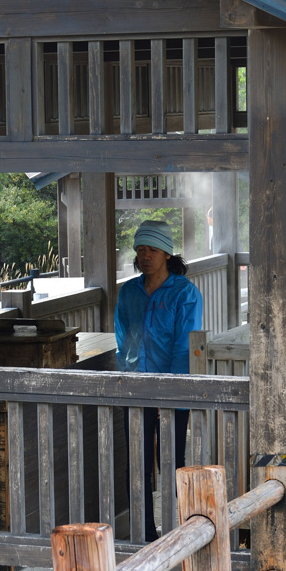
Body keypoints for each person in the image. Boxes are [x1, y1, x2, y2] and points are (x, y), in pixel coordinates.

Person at [115, 220, 203, 542]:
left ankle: (177, 530)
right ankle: (145, 532)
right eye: (140, 250)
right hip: (137, 388)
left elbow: (184, 346)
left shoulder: (184, 293)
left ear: (167, 253)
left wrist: (171, 389)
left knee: (172, 459)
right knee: (137, 461)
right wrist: (128, 377)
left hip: (173, 389)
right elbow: (123, 339)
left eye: (152, 249)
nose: (146, 255)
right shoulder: (129, 292)